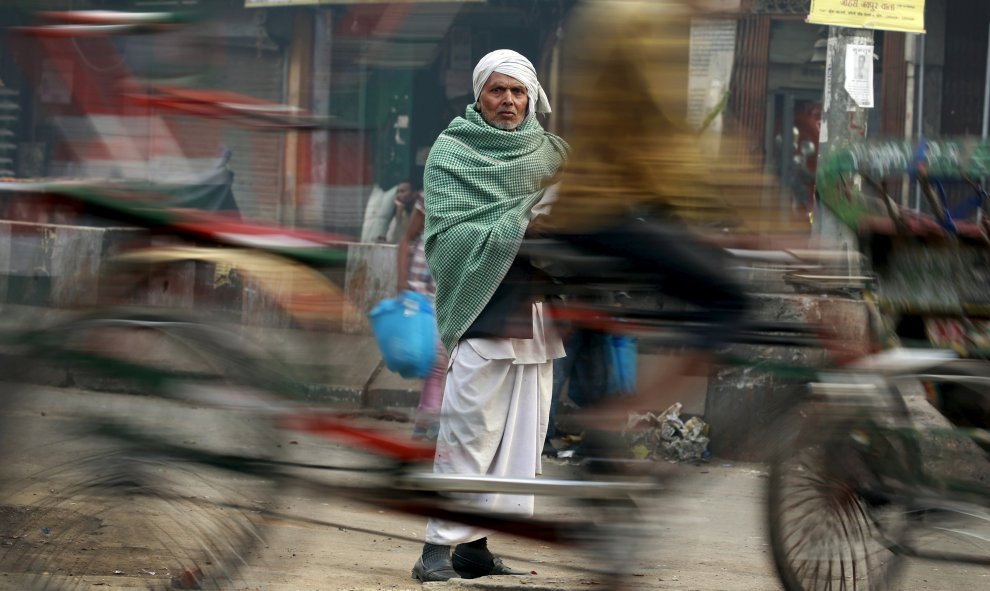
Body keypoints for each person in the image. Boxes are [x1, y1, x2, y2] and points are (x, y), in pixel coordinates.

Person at [544, 0, 805, 439]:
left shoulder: (628, 15)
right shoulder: (645, 20)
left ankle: (610, 428)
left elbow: (654, 144)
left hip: (613, 206)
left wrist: (706, 218)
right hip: (606, 212)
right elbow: (678, 143)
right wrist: (762, 216)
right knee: (729, 302)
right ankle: (619, 420)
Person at [412, 49, 568, 583]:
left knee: (518, 440)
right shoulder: (452, 152)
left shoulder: (552, 155)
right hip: (484, 313)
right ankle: (435, 549)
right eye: (498, 90)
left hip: (535, 317)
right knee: (468, 433)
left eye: (518, 91)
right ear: (478, 96)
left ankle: (475, 548)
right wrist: (520, 227)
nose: (508, 101)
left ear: (533, 99)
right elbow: (446, 236)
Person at [396, 187, 446, 440]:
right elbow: (407, 237)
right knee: (434, 361)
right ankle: (431, 418)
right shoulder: (431, 194)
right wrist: (401, 284)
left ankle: (423, 420)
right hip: (419, 290)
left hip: (445, 291)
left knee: (436, 361)